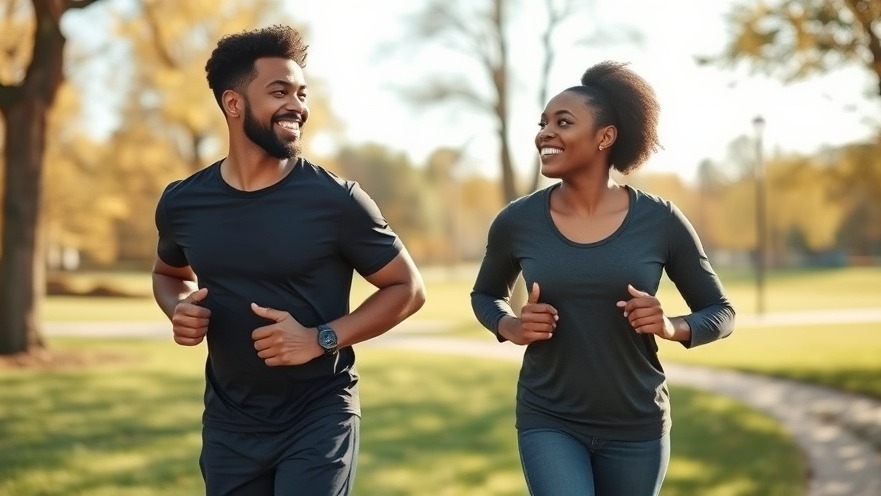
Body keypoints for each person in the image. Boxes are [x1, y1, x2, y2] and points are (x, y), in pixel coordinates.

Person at [151, 25, 426, 496]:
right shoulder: (182, 202)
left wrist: (322, 338)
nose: (297, 105)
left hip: (319, 415)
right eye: (279, 91)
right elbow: (168, 273)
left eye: (301, 93)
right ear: (233, 104)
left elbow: (408, 288)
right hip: (229, 423)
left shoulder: (337, 201)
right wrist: (177, 307)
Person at [470, 60, 735, 496]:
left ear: (605, 137)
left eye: (563, 122)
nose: (544, 133)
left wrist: (671, 327)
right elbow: (485, 294)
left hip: (637, 425)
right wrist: (510, 325)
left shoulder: (661, 220)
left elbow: (721, 312)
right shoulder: (517, 221)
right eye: (543, 123)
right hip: (549, 418)